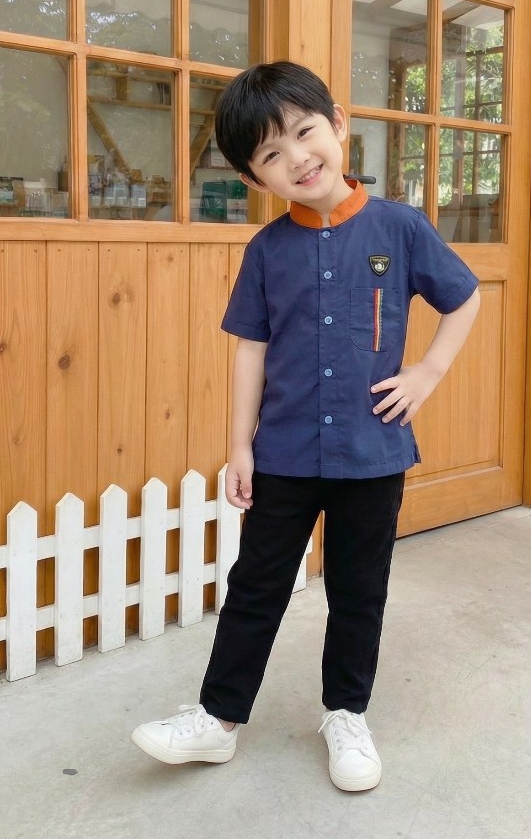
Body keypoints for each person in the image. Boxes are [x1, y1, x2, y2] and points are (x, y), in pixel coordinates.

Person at [131, 61, 481, 792]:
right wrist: (239, 446)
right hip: (284, 454)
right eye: (271, 153)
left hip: (372, 452)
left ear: (338, 124)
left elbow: (463, 298)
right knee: (256, 585)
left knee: (359, 590)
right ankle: (217, 721)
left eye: (303, 132)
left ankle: (346, 715)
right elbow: (250, 352)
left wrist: (427, 374)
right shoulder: (266, 252)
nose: (296, 157)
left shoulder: (399, 228)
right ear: (254, 179)